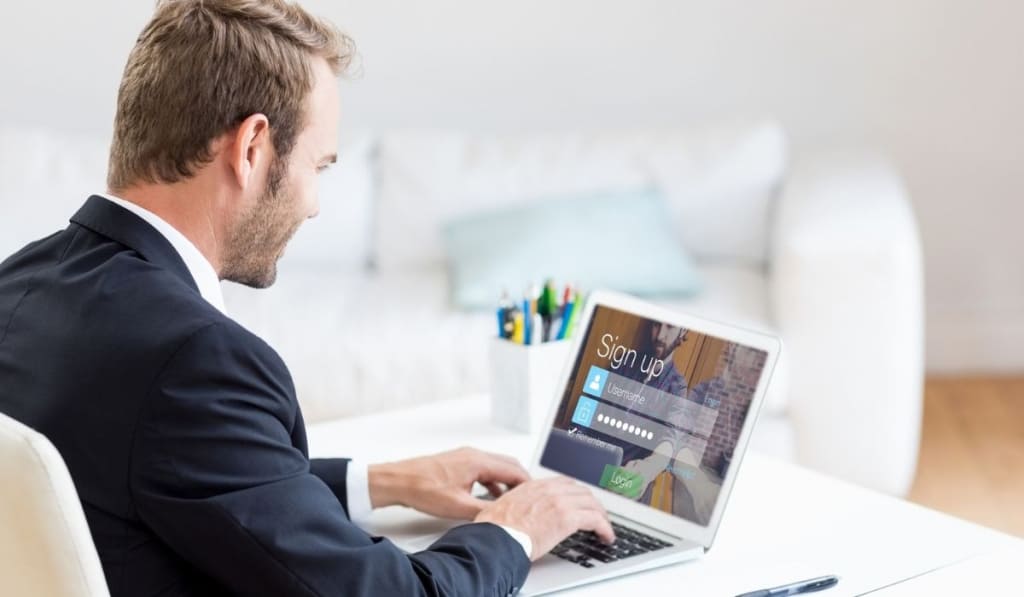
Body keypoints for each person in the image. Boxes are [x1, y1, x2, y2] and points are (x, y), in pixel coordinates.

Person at [0, 1, 612, 595]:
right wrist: (514, 531)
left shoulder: (20, 281)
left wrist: (381, 482)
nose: (315, 204)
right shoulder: (196, 361)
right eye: (318, 166)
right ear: (251, 148)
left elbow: (170, 472)